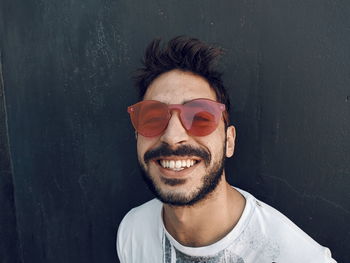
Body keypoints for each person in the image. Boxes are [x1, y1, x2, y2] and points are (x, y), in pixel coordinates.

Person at [116, 36, 336, 263]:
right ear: (136, 138)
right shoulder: (133, 232)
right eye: (152, 118)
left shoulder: (295, 257)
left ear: (229, 141)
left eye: (200, 116)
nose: (173, 137)